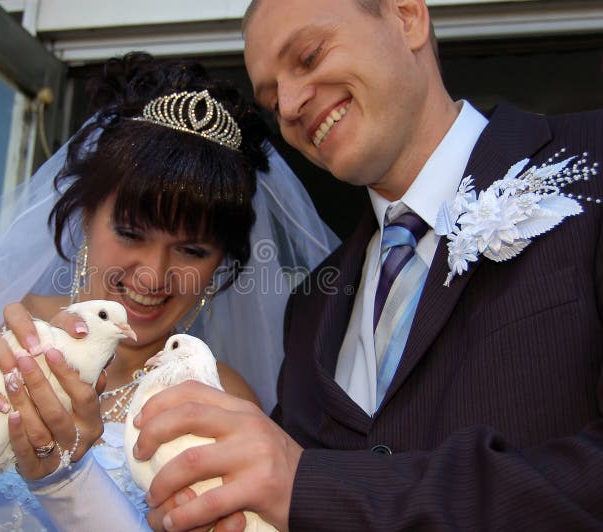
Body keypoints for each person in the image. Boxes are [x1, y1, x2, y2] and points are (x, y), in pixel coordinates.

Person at [0, 53, 338, 530]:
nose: (152, 276)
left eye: (192, 251)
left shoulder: (218, 393)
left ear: (222, 265)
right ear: (85, 217)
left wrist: (64, 476)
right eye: (130, 233)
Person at [132, 0, 603, 530]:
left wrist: (309, 484)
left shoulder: (593, 163)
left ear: (407, 17)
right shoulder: (311, 308)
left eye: (308, 57)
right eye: (269, 100)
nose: (288, 105)